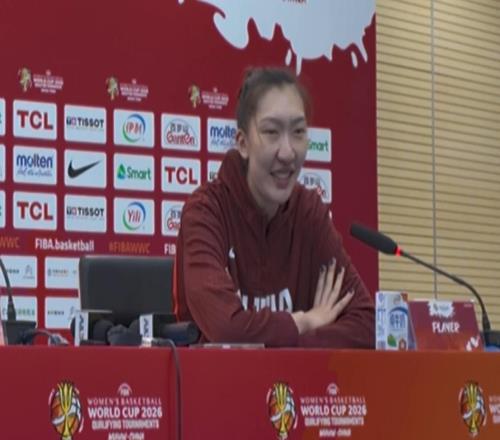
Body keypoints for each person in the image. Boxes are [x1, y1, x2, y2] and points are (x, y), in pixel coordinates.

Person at [173, 67, 374, 348]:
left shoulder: (309, 212)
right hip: (214, 378)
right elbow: (225, 328)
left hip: (295, 377)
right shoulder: (206, 211)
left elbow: (367, 325)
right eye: (271, 132)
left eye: (298, 132)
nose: (288, 152)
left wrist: (287, 339)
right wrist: (303, 322)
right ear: (243, 143)